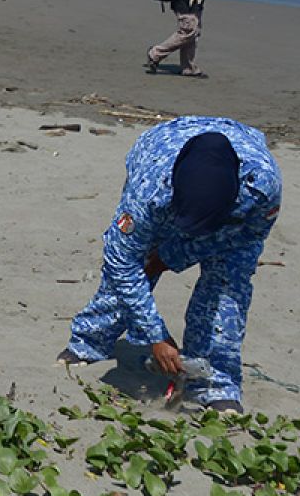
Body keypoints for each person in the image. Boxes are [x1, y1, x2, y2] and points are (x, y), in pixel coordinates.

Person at [58, 117, 282, 413]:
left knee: (228, 285)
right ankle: (91, 340)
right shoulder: (149, 192)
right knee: (137, 266)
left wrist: (172, 257)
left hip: (235, 203)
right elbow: (121, 263)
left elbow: (246, 236)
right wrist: (155, 336)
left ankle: (215, 382)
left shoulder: (262, 190)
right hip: (163, 146)